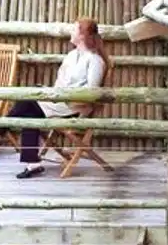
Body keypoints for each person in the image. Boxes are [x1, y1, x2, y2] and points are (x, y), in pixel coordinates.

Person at [16, 18, 108, 174]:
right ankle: (32, 163)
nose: (71, 32)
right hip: (58, 101)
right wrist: (52, 94)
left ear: (83, 35)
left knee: (28, 104)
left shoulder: (95, 60)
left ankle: (0, 129)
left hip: (75, 107)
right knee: (29, 109)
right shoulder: (72, 55)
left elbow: (92, 92)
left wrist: (65, 96)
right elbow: (60, 80)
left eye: (74, 29)